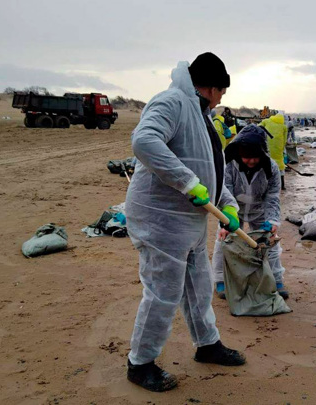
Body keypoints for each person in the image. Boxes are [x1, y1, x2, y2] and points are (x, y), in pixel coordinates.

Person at [124, 52, 245, 393]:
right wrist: (187, 182)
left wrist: (229, 205)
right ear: (210, 86)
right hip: (160, 220)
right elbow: (144, 141)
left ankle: (207, 344)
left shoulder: (202, 115)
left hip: (190, 223)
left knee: (198, 286)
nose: (223, 98)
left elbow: (209, 168)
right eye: (222, 91)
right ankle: (140, 362)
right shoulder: (172, 102)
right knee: (163, 292)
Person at [211, 124, 288, 300]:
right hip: (232, 209)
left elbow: (273, 196)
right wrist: (225, 222)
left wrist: (273, 220)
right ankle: (220, 280)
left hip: (259, 209)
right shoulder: (229, 165)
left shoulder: (272, 168)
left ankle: (276, 280)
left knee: (271, 244)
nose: (251, 161)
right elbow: (225, 192)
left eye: (255, 157)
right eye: (247, 158)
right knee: (222, 242)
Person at [259, 113, 287, 190]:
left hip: (267, 147)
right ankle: (282, 185)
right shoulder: (284, 126)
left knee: (267, 165)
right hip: (278, 150)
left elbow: (258, 127)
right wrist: (282, 148)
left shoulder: (266, 121)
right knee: (280, 167)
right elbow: (285, 140)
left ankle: (267, 185)